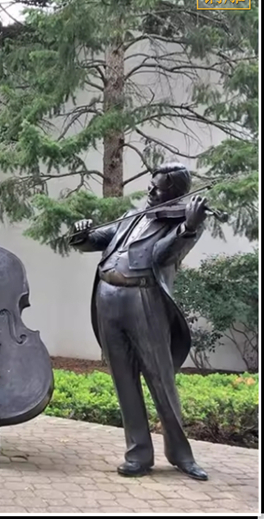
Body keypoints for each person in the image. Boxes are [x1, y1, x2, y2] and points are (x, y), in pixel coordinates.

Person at [70, 162, 209, 481]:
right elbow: (96, 240)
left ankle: (180, 454)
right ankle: (138, 454)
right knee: (123, 379)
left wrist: (188, 227)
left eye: (158, 188)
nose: (150, 191)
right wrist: (81, 233)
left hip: (143, 299)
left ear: (175, 194)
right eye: (151, 184)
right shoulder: (133, 216)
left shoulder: (185, 223)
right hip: (107, 297)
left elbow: (163, 256)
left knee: (160, 377)